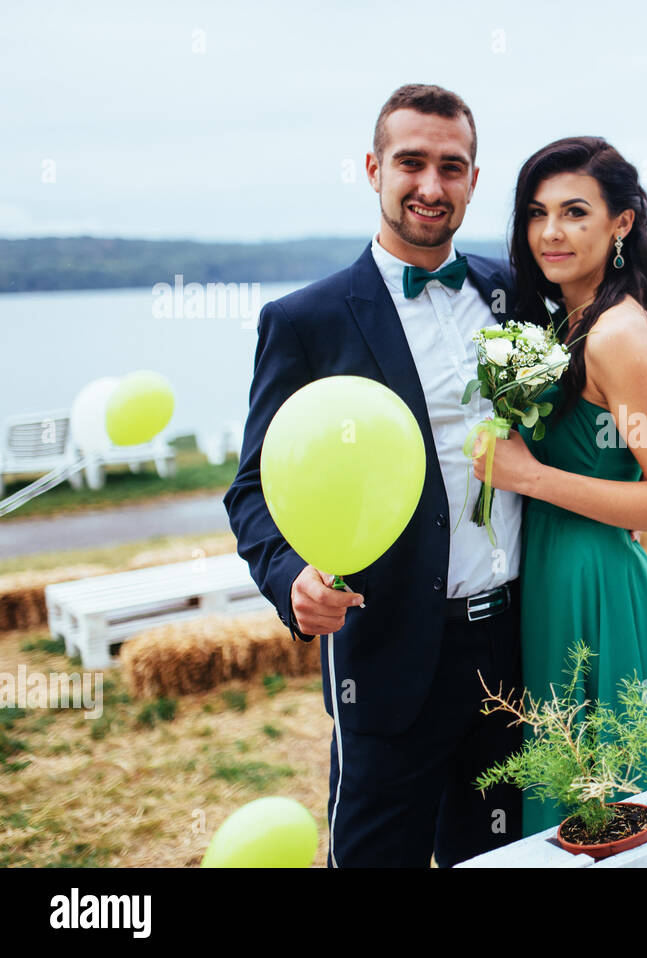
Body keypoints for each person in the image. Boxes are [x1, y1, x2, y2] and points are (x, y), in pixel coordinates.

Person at [224, 83, 530, 867]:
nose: (432, 186)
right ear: (373, 168)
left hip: (515, 648)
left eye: (452, 167)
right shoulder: (307, 321)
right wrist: (289, 574)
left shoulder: (516, 295)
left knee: (500, 857)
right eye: (412, 163)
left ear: (472, 177)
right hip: (388, 659)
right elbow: (253, 487)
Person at [471, 136, 647, 836]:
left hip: (600, 594)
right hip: (554, 583)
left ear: (622, 223)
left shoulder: (617, 335)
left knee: (616, 812)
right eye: (536, 213)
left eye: (575, 212)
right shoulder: (567, 323)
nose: (551, 232)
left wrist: (531, 476)